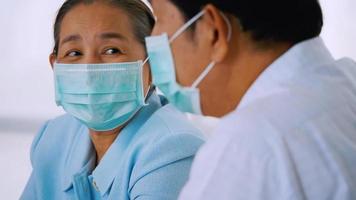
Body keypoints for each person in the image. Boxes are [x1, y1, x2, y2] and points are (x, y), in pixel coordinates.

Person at [146, 0, 356, 199]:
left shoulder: (248, 146)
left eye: (159, 18)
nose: (153, 38)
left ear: (214, 31)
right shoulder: (347, 79)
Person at [20, 0, 204, 199]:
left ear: (153, 64)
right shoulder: (53, 137)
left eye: (112, 50)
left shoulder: (173, 148)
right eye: (74, 53)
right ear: (55, 66)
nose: (90, 69)